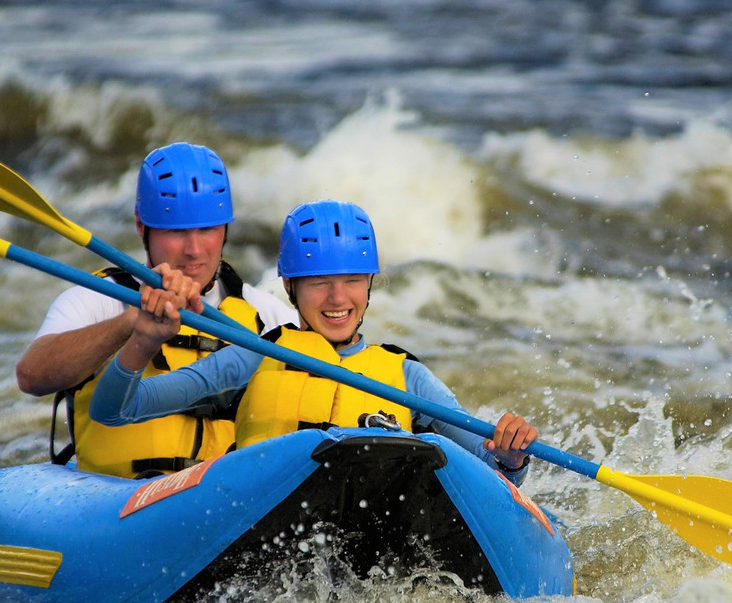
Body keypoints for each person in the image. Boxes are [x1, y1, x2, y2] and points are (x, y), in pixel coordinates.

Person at [88, 199, 537, 483]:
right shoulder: (253, 355)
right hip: (264, 536)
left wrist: (512, 454)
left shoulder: (406, 376)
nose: (338, 298)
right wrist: (143, 341)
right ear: (290, 287)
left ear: (370, 284)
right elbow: (114, 411)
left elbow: (495, 473)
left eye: (353, 281)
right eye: (319, 282)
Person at [16, 142, 297, 478]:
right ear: (140, 225)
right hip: (115, 499)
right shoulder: (99, 299)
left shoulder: (266, 314)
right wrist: (132, 323)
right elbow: (31, 376)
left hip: (222, 499)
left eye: (207, 229)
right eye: (176, 231)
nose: (194, 250)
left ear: (225, 228)